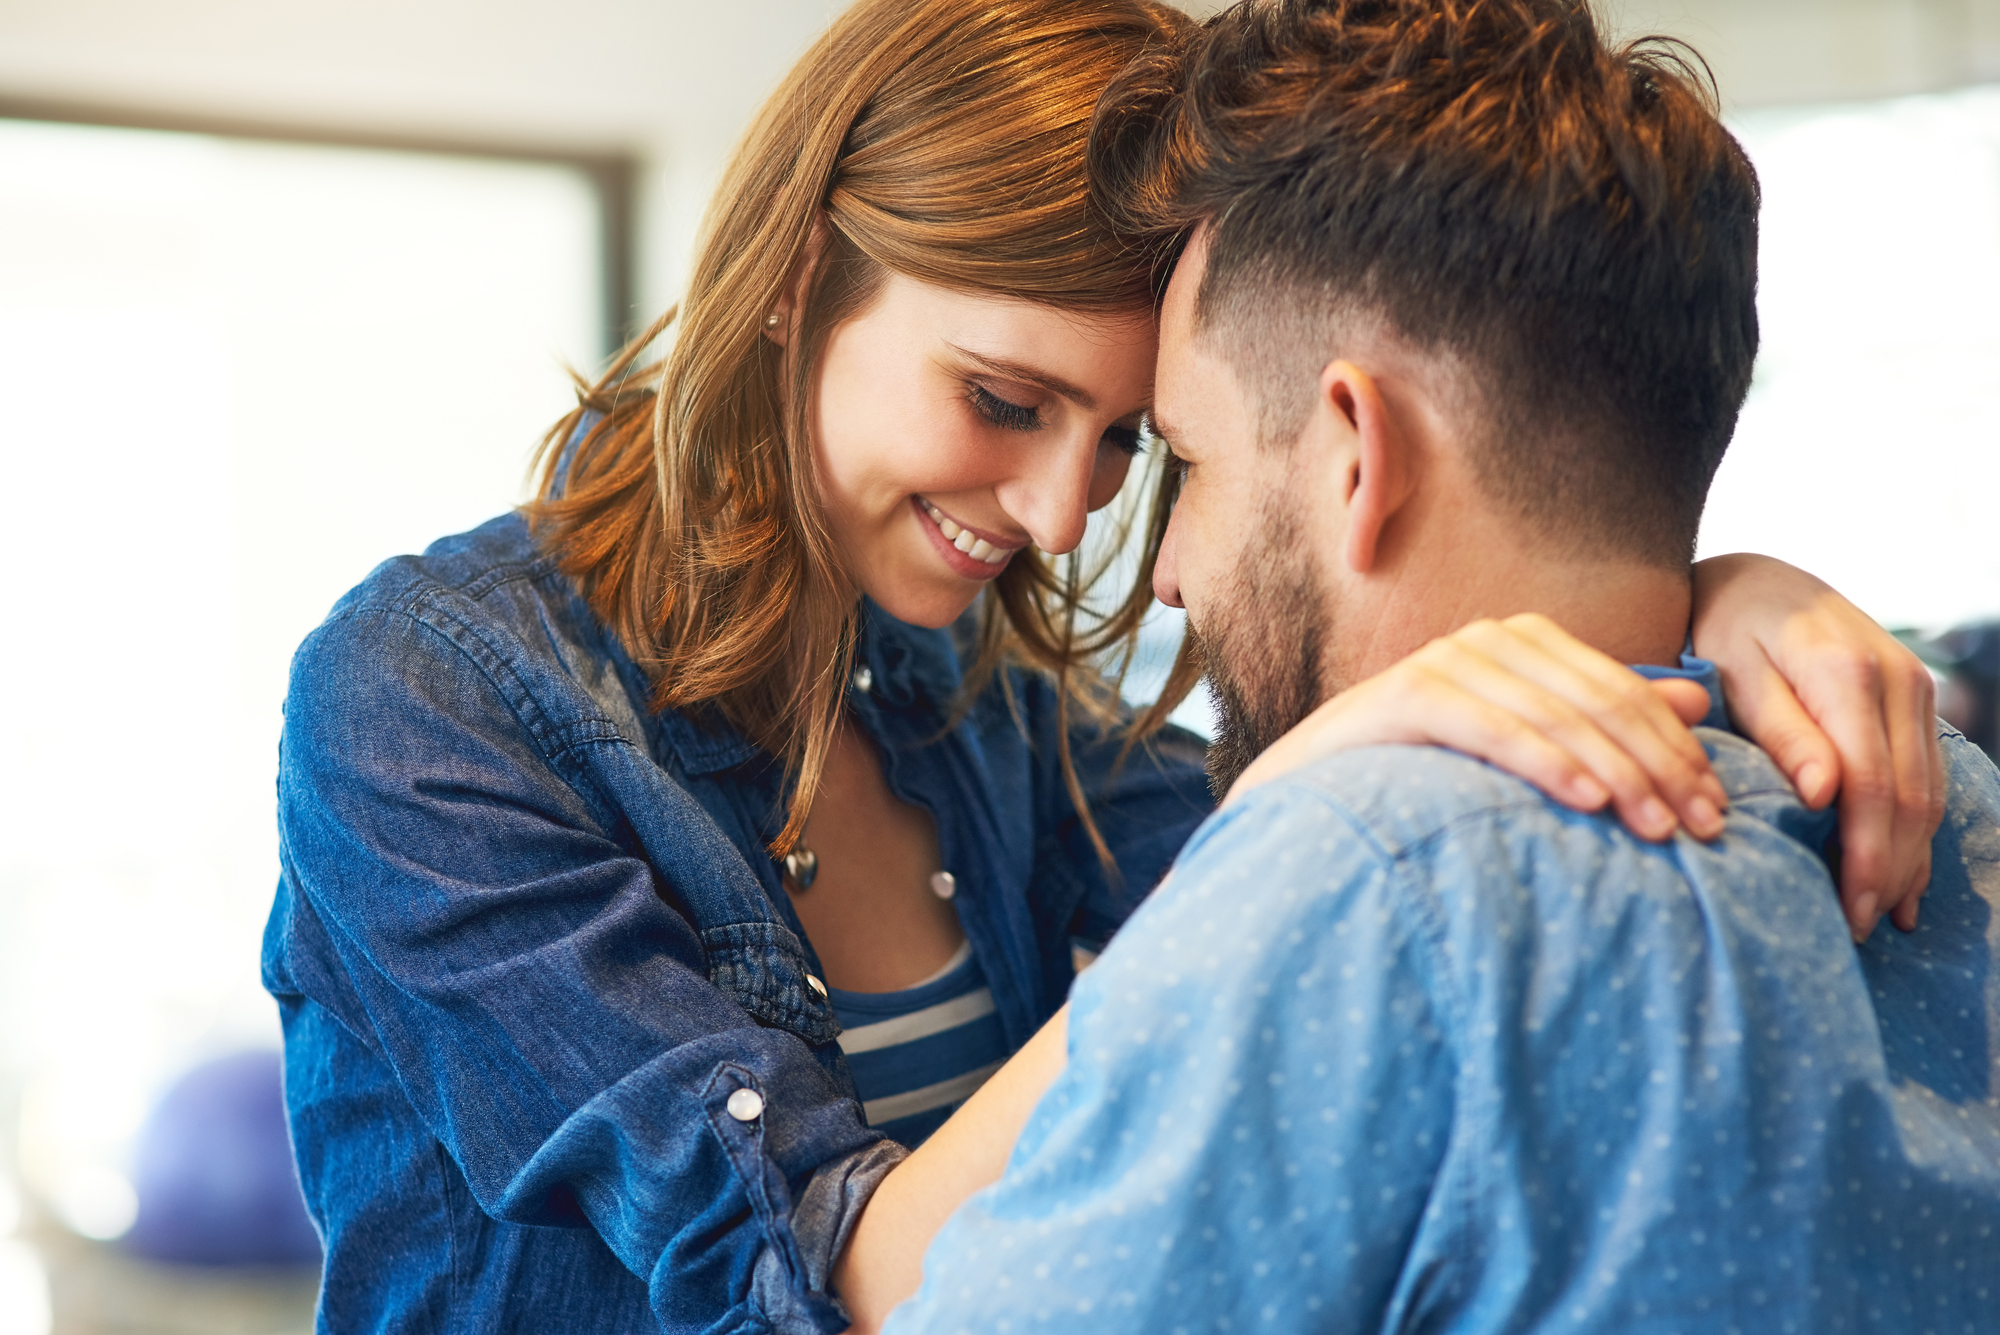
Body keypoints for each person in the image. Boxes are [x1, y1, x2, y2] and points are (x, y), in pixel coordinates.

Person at [266, 0, 1945, 1329]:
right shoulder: (426, 703)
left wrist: (1716, 588)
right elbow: (807, 1283)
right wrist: (1308, 795)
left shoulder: (980, 707)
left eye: (1137, 442)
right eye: (1003, 401)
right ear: (794, 285)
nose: (1066, 516)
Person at [878, 2, 2000, 1330]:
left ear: (1359, 453)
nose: (1165, 566)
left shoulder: (1349, 883)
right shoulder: (1947, 804)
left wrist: (1291, 835)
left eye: (1187, 462)